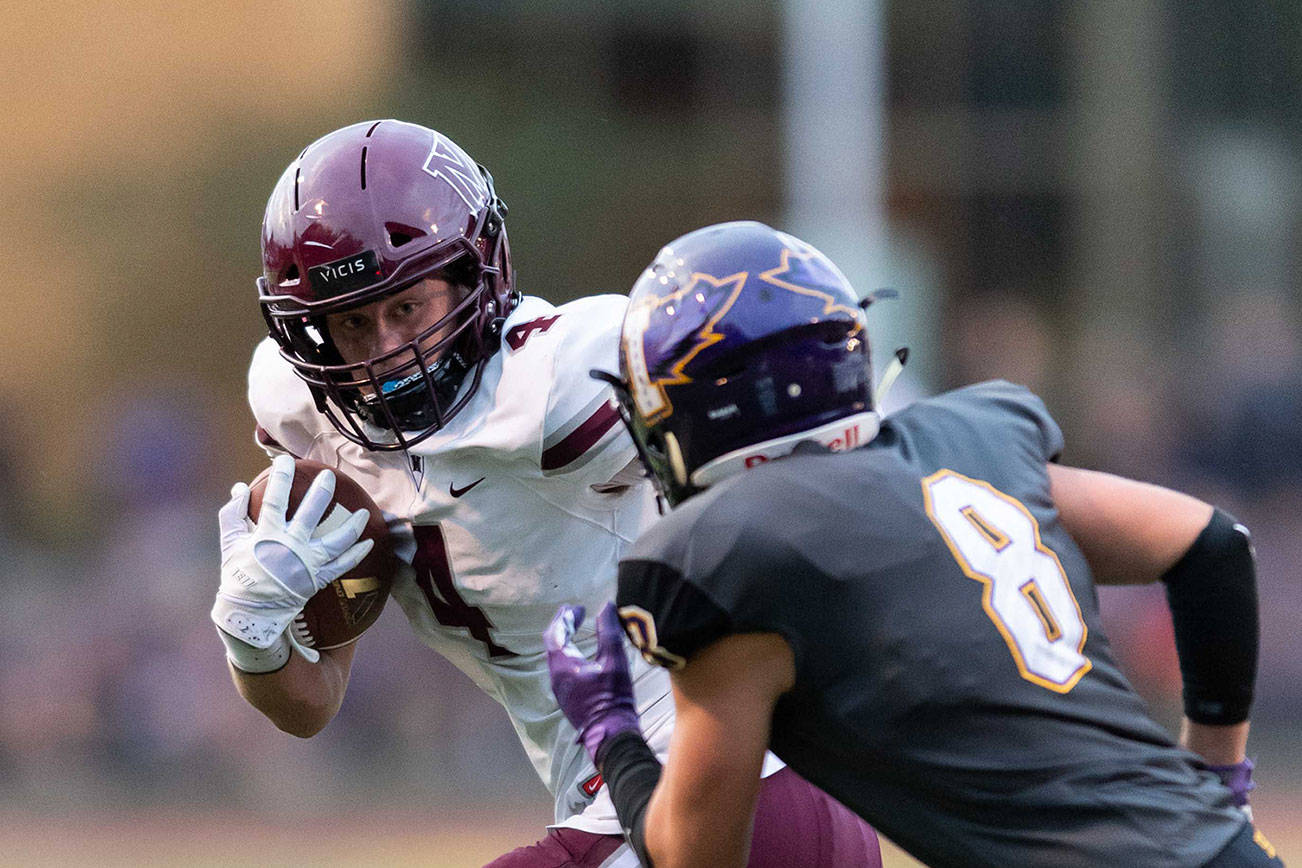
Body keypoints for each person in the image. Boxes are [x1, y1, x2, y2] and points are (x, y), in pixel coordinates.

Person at [210, 122, 880, 867]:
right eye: (353, 323)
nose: (386, 351)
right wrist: (251, 636)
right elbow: (309, 704)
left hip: (735, 786)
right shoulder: (304, 415)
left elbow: (820, 425)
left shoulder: (568, 377)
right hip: (629, 808)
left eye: (408, 309)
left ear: (475, 276)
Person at [545, 220, 1284, 868]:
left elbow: (696, 859)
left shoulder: (731, 556)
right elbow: (1214, 547)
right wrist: (1219, 782)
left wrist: (613, 733)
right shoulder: (970, 442)